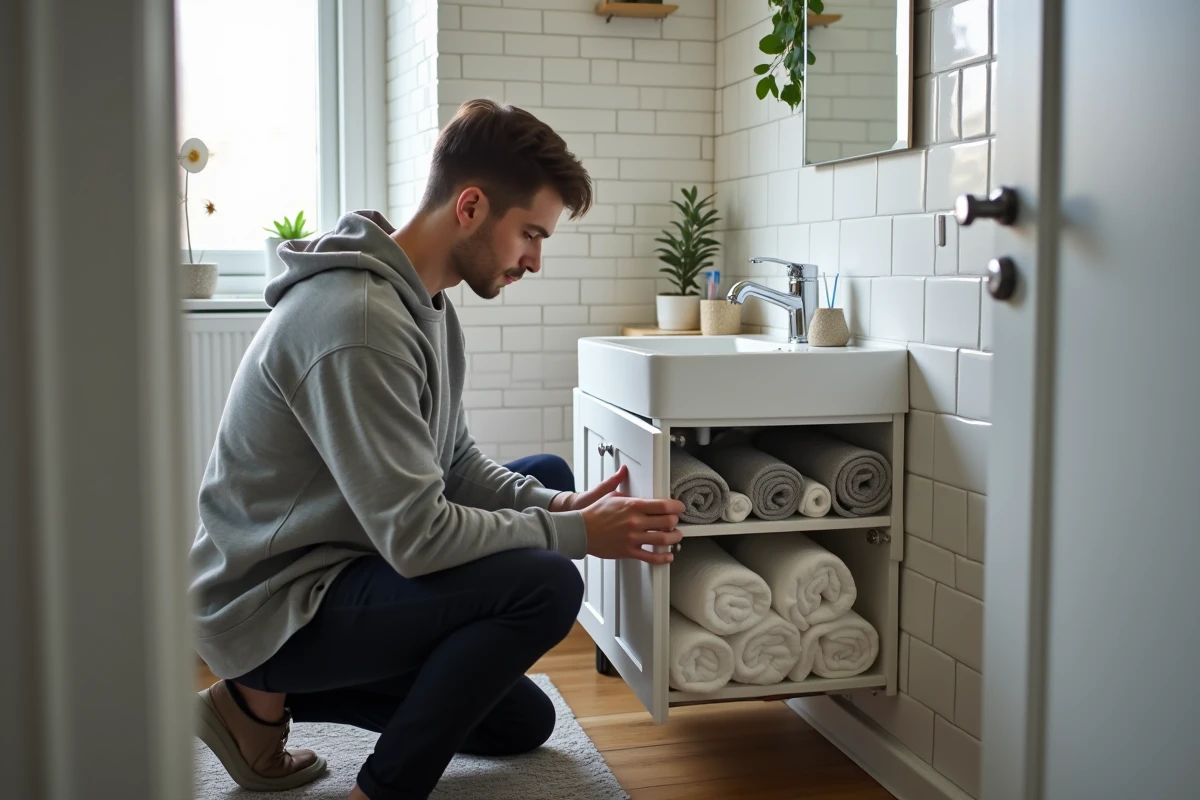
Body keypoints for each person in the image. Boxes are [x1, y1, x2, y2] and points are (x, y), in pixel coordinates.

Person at [189, 98, 685, 800]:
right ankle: (368, 778)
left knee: (520, 720)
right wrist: (575, 532)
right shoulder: (358, 320)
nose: (536, 261)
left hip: (341, 560)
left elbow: (454, 466)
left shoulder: (425, 303)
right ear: (472, 206)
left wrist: (561, 504)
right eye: (531, 235)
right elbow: (417, 535)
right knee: (549, 581)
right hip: (276, 601)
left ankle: (252, 707)